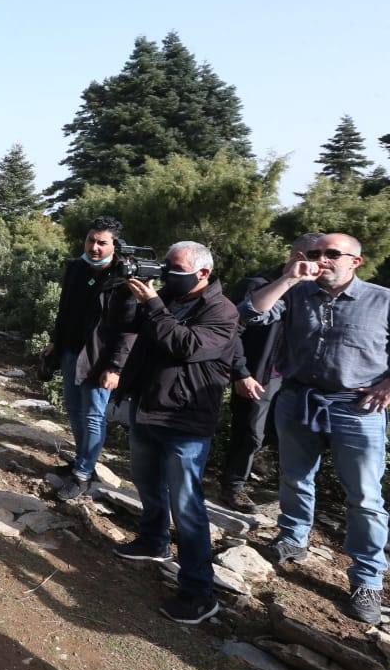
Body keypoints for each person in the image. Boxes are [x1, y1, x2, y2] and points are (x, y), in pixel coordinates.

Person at [240, 233, 390, 624]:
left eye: (332, 254)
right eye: (316, 253)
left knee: (365, 498)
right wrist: (289, 278)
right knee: (294, 477)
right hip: (297, 399)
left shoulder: (382, 299)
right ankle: (293, 538)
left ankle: (367, 578)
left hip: (357, 409)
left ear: (355, 261)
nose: (322, 260)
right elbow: (252, 314)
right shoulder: (296, 293)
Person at [112, 241, 239, 626]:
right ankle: (153, 541)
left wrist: (154, 305)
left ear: (203, 272)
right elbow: (127, 324)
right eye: (165, 265)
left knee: (187, 504)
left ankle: (199, 591)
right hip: (148, 405)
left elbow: (186, 346)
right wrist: (129, 291)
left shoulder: (222, 311)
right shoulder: (166, 294)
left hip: (185, 418)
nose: (167, 273)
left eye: (175, 267)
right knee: (148, 483)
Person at [218, 232, 324, 511]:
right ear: (297, 256)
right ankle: (232, 487)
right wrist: (240, 372)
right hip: (259, 374)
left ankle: (272, 487)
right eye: (315, 256)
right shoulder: (258, 285)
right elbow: (232, 331)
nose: (321, 263)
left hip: (297, 380)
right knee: (250, 432)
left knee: (282, 436)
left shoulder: (319, 293)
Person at [41, 216, 137, 500]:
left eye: (102, 243)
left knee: (94, 416)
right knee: (74, 410)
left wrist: (115, 366)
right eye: (91, 240)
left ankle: (83, 474)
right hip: (71, 351)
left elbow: (129, 330)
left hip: (99, 358)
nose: (94, 247)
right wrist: (55, 342)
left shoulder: (124, 278)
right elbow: (64, 309)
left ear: (114, 245)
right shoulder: (76, 268)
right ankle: (82, 462)